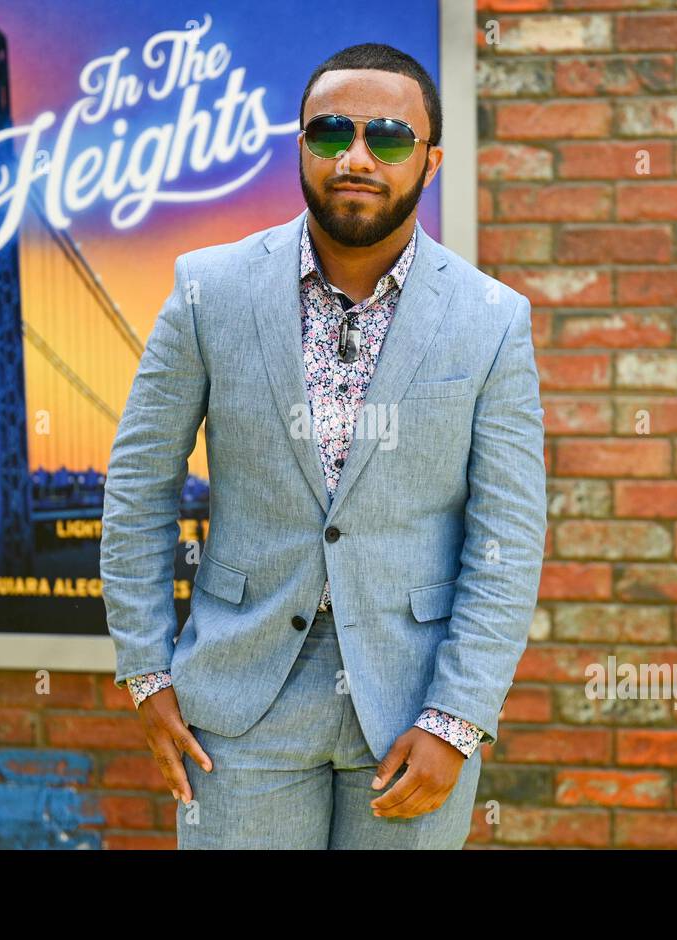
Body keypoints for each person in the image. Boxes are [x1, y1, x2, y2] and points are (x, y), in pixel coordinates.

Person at [101, 42, 546, 849]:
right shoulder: (209, 290)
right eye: (332, 131)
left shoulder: (491, 318)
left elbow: (508, 539)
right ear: (301, 144)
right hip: (239, 701)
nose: (357, 156)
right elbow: (139, 484)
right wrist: (145, 671)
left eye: (389, 138)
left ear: (431, 160)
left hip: (414, 708)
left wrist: (460, 717)